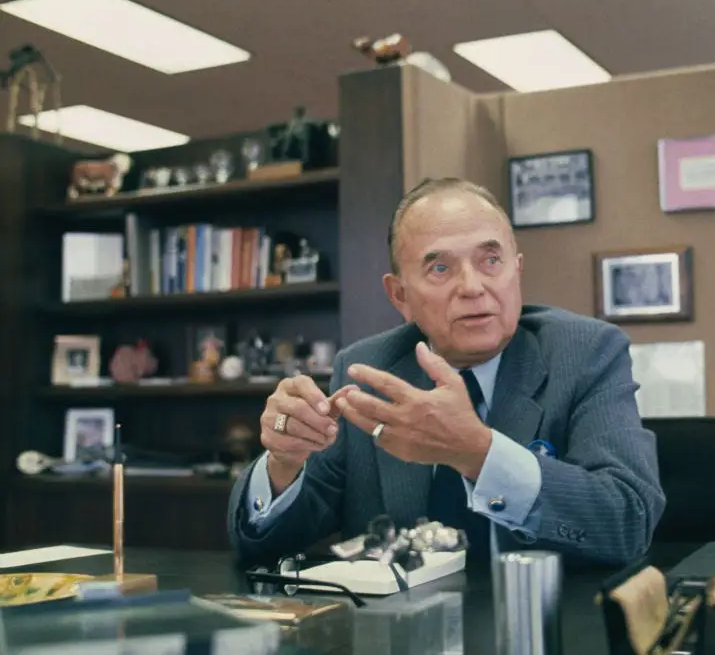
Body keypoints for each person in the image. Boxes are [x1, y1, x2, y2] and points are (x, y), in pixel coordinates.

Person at [227, 177, 665, 567]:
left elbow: (627, 521)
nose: (473, 286)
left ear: (517, 269)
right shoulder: (368, 371)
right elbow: (265, 548)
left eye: (490, 260)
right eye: (440, 268)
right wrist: (284, 464)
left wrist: (477, 452)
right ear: (400, 296)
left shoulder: (586, 353)